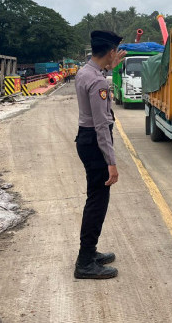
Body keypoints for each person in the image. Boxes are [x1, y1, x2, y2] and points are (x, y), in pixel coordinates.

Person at [73, 30, 127, 279]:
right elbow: (101, 125)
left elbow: (97, 80)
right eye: (115, 51)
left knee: (95, 199)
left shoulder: (86, 72)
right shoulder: (98, 81)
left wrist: (109, 68)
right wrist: (111, 162)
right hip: (95, 143)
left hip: (86, 140)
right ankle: (85, 262)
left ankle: (89, 252)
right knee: (97, 202)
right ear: (111, 51)